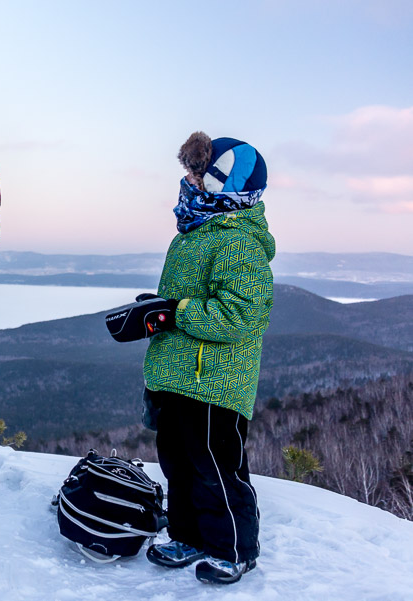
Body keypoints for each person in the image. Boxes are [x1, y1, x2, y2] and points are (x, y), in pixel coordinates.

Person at [139, 132, 274, 584]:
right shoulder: (197, 230)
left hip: (215, 381)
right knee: (178, 462)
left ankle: (233, 548)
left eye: (198, 171)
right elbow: (185, 301)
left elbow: (240, 314)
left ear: (221, 181)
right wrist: (155, 310)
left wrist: (176, 311)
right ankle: (188, 535)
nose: (189, 179)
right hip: (178, 373)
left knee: (217, 467)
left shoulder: (237, 241)